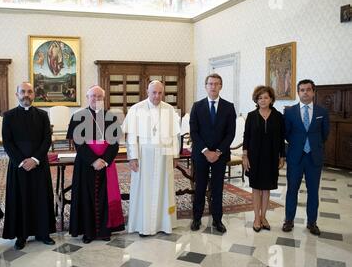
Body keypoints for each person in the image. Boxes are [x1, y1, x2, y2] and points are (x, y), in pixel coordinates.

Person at [66, 85, 124, 244]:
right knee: (86, 197)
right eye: (93, 96)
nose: (96, 99)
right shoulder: (78, 116)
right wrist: (93, 160)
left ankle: (105, 230)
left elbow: (114, 144)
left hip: (106, 165)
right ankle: (88, 232)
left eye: (99, 96)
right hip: (86, 164)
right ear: (87, 97)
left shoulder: (110, 117)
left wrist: (104, 160)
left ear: (103, 99)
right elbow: (78, 144)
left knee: (106, 197)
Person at [122, 80, 180, 236]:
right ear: (147, 92)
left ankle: (164, 224)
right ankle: (144, 225)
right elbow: (131, 136)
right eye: (154, 92)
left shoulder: (169, 109)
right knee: (144, 191)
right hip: (143, 157)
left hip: (164, 157)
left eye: (160, 93)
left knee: (165, 189)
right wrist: (132, 157)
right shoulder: (136, 109)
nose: (157, 96)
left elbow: (174, 135)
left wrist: (175, 155)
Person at [2, 82, 56, 250]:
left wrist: (35, 159)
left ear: (34, 94)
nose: (26, 94)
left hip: (39, 165)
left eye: (30, 92)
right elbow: (7, 142)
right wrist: (22, 161)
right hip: (18, 166)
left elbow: (47, 140)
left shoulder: (42, 115)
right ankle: (21, 235)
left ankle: (43, 233)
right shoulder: (9, 116)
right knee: (20, 200)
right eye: (23, 92)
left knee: (41, 198)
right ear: (17, 94)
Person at [189, 73, 236, 234]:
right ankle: (196, 218)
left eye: (216, 84)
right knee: (200, 187)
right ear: (206, 86)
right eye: (210, 84)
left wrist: (217, 151)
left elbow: (230, 133)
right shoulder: (197, 106)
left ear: (221, 86)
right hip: (201, 154)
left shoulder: (229, 107)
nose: (213, 86)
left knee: (217, 188)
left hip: (220, 155)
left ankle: (217, 220)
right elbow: (194, 132)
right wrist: (205, 151)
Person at [282, 79, 330, 235]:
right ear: (298, 92)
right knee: (292, 190)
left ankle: (312, 222)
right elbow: (286, 133)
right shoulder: (289, 112)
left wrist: (312, 145)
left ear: (313, 92)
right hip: (295, 157)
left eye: (308, 89)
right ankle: (289, 220)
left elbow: (324, 134)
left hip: (314, 158)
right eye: (302, 90)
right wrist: (298, 145)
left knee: (313, 191)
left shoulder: (322, 112)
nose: (305, 92)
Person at [242, 86, 285, 232]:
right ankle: (256, 217)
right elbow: (246, 137)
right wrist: (245, 156)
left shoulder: (278, 116)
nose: (263, 100)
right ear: (256, 100)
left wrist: (282, 156)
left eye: (266, 97)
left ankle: (264, 216)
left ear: (271, 99)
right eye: (260, 98)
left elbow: (281, 138)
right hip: (254, 157)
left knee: (267, 188)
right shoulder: (251, 116)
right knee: (256, 188)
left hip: (272, 157)